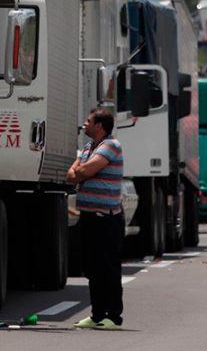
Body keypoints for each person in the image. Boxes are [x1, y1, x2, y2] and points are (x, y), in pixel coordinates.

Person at [68, 108, 124, 331]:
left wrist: (81, 171)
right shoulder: (88, 147)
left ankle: (114, 316)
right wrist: (80, 171)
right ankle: (97, 314)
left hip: (106, 217)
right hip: (88, 215)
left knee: (108, 267)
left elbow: (82, 172)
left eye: (89, 121)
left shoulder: (111, 146)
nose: (85, 124)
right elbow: (72, 174)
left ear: (99, 125)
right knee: (92, 268)